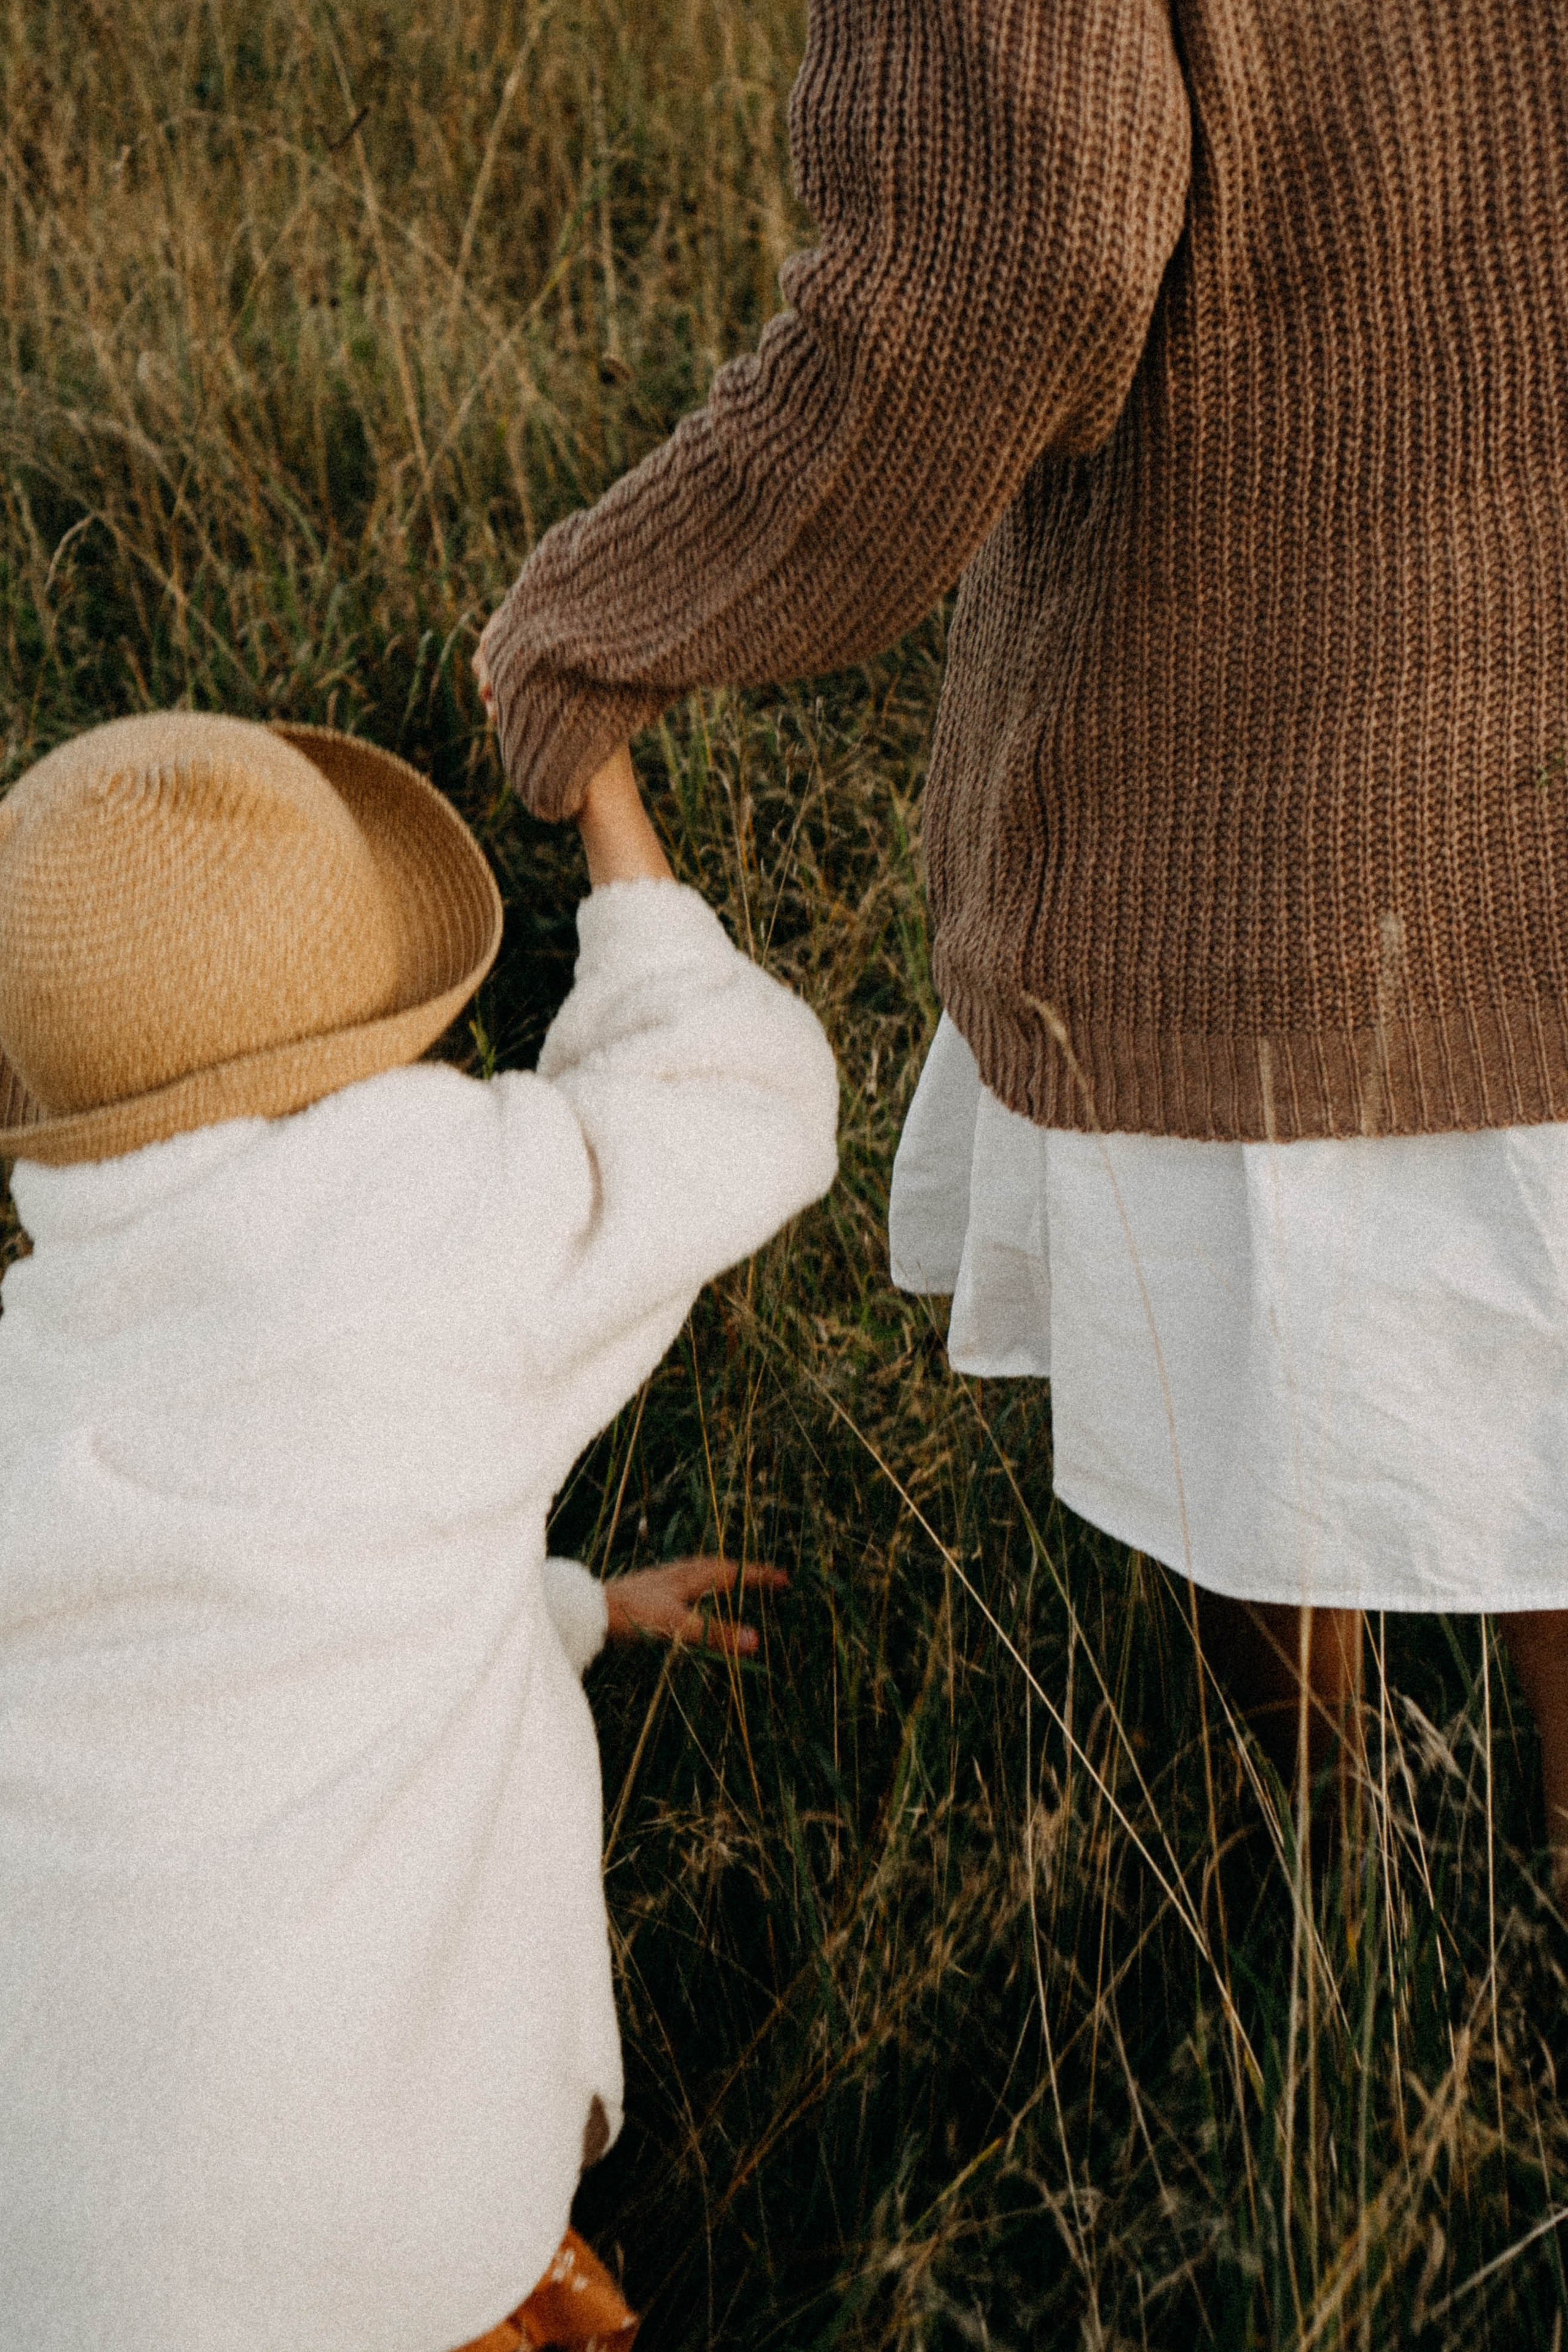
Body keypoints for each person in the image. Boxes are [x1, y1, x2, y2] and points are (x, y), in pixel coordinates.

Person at [475, 2, 1568, 1869]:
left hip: (1282, 771)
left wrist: (600, 613)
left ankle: (1327, 1891)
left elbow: (1009, 259)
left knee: (1257, 1366)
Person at [0, 710, 839, 2351]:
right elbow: (745, 1091)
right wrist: (600, 780)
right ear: (365, 977)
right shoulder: (437, 1219)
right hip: (373, 2244)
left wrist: (571, 1609)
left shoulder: (35, 1365)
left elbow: (231, 1635)